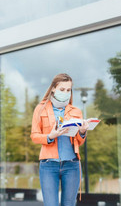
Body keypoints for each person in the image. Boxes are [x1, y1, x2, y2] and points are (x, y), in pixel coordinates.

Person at [31, 73, 89, 206]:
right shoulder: (40, 109)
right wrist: (50, 136)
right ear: (53, 89)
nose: (66, 93)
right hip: (49, 165)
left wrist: (82, 131)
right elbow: (34, 135)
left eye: (68, 90)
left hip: (72, 165)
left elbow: (79, 141)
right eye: (62, 89)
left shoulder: (76, 111)